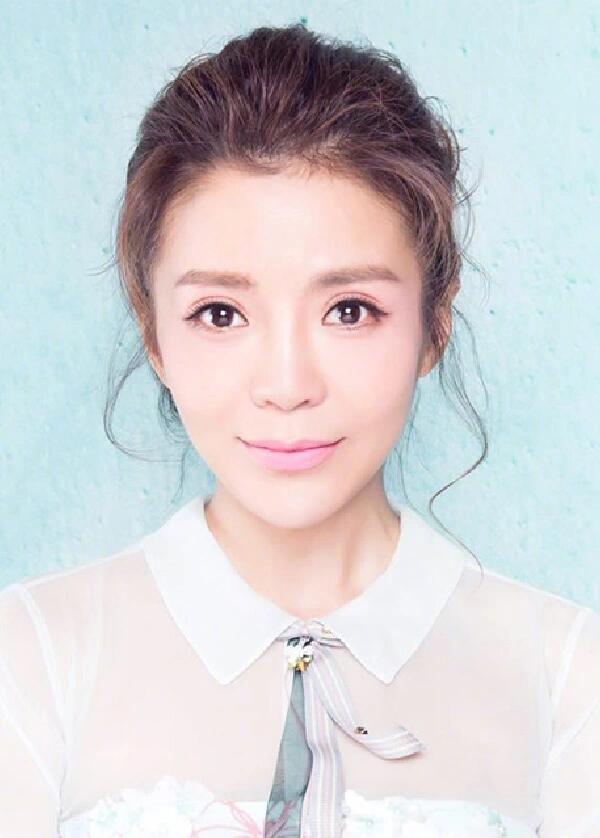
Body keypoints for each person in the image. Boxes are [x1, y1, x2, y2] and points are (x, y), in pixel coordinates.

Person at [1, 22, 598, 838]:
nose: (286, 387)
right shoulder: (30, 661)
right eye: (220, 313)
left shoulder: (569, 677)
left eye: (349, 310)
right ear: (153, 333)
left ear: (434, 323)